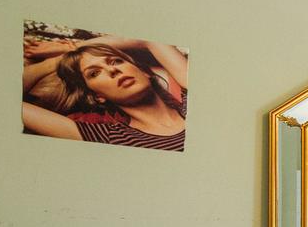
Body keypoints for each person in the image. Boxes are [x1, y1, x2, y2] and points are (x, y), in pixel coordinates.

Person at [21, 34, 188, 151]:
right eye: (94, 73)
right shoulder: (108, 136)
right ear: (96, 96)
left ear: (145, 72)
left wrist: (72, 48)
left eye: (116, 61)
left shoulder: (192, 97)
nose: (112, 69)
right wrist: (57, 61)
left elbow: (147, 41)